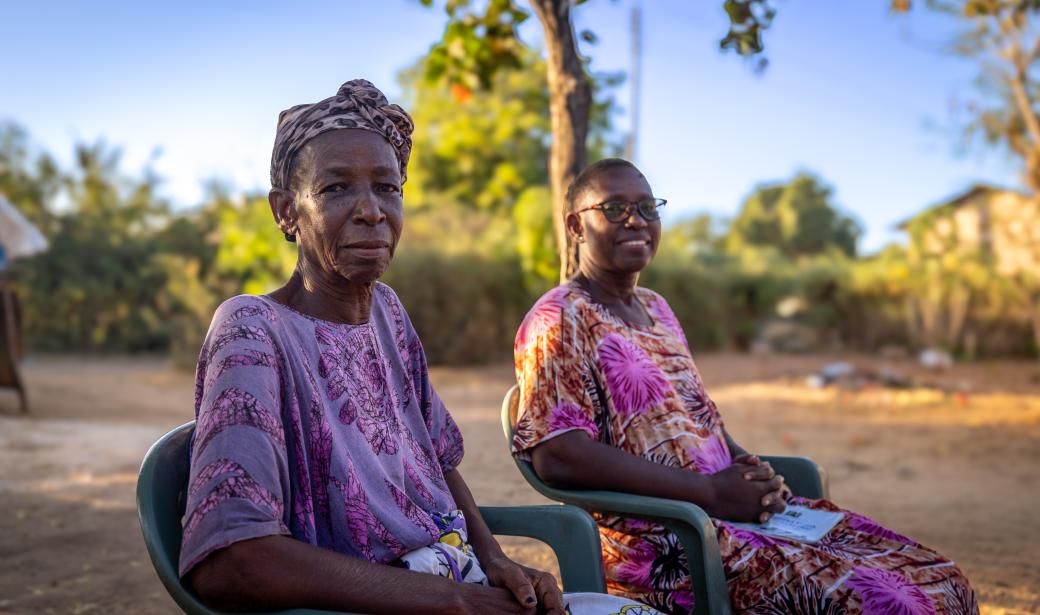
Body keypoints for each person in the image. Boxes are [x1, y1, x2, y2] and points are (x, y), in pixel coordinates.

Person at [181, 80, 659, 615]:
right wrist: (453, 600)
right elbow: (232, 561)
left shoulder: (386, 312)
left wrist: (494, 559)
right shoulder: (252, 328)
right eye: (336, 188)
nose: (371, 211)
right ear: (286, 211)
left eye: (387, 188)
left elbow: (437, 460)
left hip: (459, 583)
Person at [512, 158, 979, 615]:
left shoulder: (657, 309)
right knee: (890, 604)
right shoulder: (560, 319)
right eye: (614, 208)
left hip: (738, 517)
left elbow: (697, 418)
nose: (636, 220)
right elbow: (559, 455)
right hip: (671, 541)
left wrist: (749, 471)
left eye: (647, 207)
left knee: (942, 579)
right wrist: (709, 493)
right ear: (576, 226)